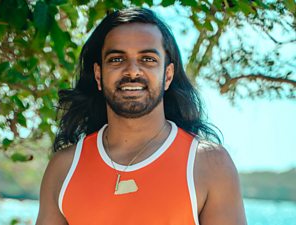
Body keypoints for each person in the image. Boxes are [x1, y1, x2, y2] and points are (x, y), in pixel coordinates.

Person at [36, 7, 247, 225]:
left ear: (168, 75)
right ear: (99, 75)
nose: (133, 71)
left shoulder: (209, 164)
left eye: (147, 59)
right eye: (117, 59)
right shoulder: (64, 168)